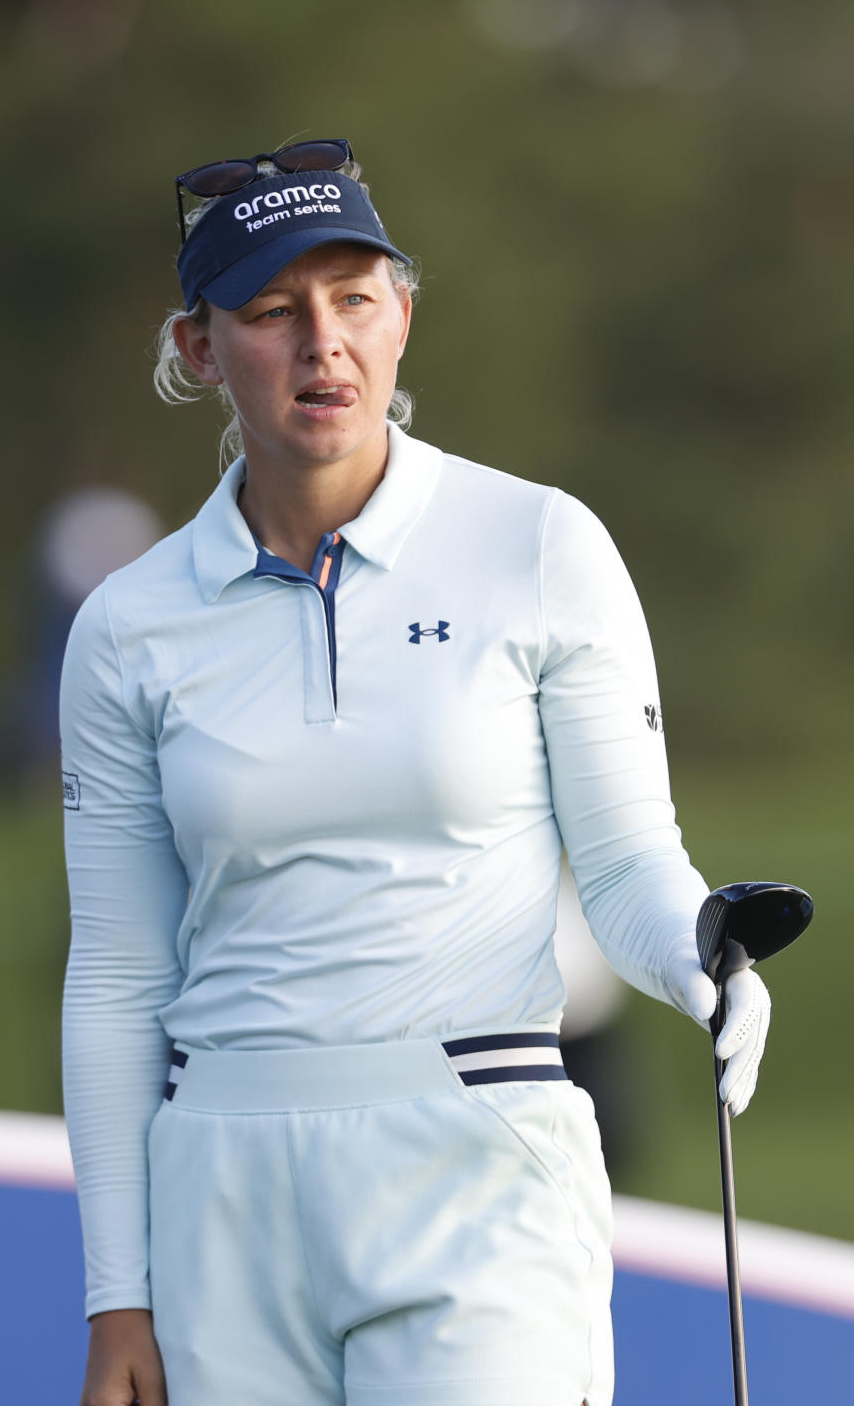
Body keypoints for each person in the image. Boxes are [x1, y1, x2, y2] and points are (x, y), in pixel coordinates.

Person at [59, 139, 772, 1406]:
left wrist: (700, 959)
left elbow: (623, 862)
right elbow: (120, 975)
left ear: (403, 317)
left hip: (479, 1155)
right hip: (220, 1190)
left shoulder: (538, 542)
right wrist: (119, 1294)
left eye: (354, 299)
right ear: (200, 350)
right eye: (272, 312)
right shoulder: (127, 623)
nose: (321, 343)